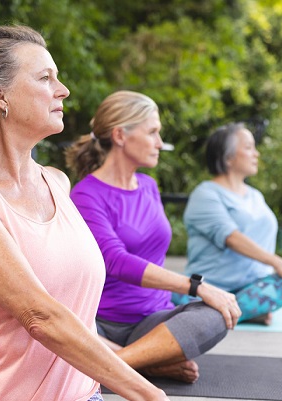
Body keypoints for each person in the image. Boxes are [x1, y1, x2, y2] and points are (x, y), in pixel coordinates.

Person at [0, 26, 168, 401]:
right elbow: (40, 316)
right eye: (45, 78)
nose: (63, 90)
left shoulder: (57, 182)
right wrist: (150, 394)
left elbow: (78, 312)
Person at [65, 90, 240, 384]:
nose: (160, 143)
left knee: (218, 312)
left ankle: (117, 363)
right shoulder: (85, 194)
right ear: (120, 135)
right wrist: (195, 286)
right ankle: (146, 361)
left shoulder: (148, 186)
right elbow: (116, 261)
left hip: (153, 322)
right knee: (53, 332)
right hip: (99, 324)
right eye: (153, 132)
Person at [177, 122, 282, 325]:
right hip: (209, 287)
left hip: (254, 286)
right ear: (228, 158)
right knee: (170, 293)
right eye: (248, 147)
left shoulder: (255, 196)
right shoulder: (205, 194)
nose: (256, 154)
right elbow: (231, 238)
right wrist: (278, 262)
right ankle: (235, 311)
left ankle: (223, 313)